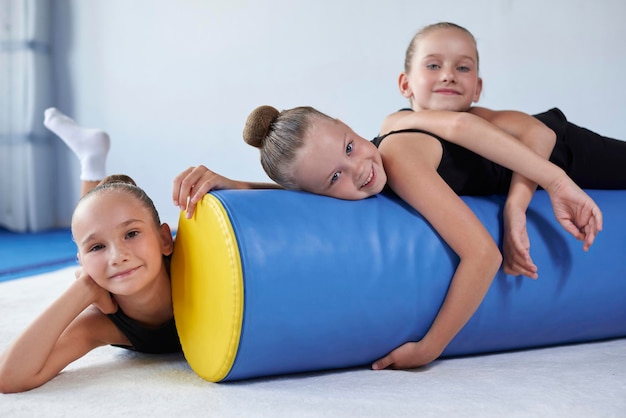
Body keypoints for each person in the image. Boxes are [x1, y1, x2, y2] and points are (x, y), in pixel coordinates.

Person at [173, 103, 602, 372]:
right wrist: (237, 187)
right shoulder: (360, 171)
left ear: (347, 124)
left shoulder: (396, 157)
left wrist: (430, 348)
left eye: (349, 147)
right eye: (335, 177)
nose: (358, 168)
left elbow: (483, 256)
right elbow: (300, 197)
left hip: (565, 150)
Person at [393, 21, 626, 278]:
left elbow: (540, 133)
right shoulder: (398, 128)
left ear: (477, 88)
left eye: (463, 67)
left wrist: (515, 207)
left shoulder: (475, 116)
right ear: (405, 84)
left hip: (567, 150)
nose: (449, 75)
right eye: (433, 65)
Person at [0, 109, 181, 393]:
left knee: (98, 221)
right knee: (94, 222)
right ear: (81, 265)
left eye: (132, 234)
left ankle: (91, 161)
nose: (117, 256)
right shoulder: (102, 325)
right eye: (96, 249)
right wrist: (83, 288)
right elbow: (8, 377)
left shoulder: (195, 261)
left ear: (164, 240)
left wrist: (237, 186)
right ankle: (91, 160)